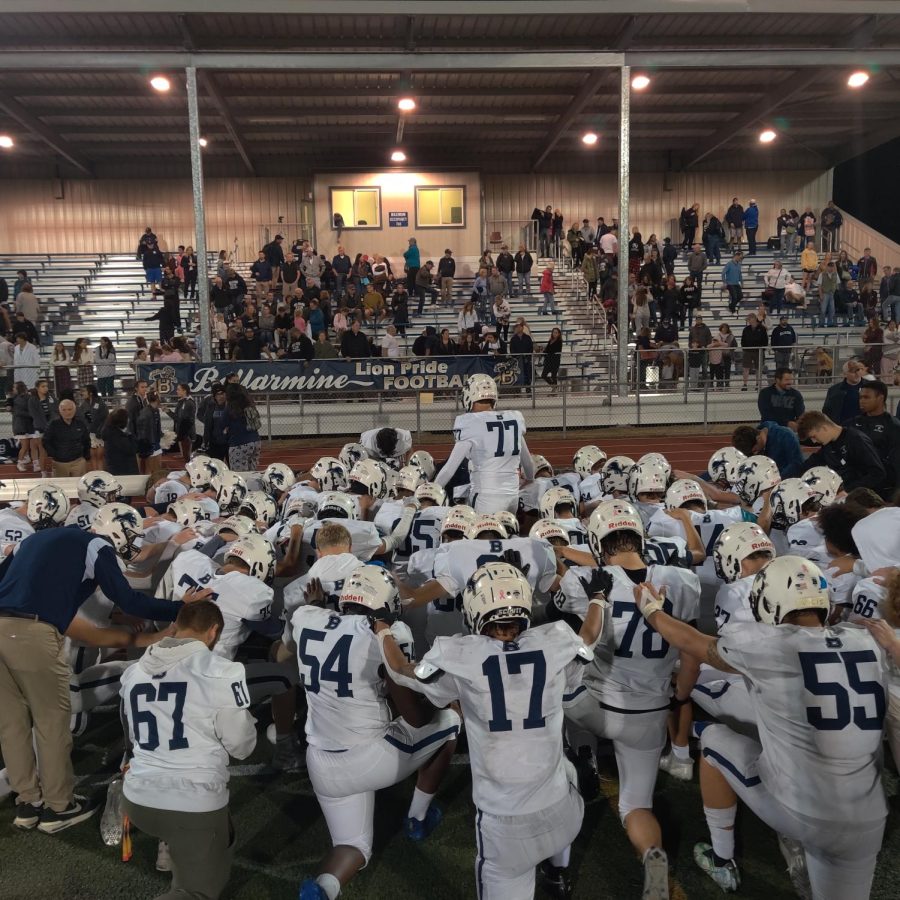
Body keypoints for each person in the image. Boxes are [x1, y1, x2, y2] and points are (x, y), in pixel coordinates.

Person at [635, 556, 888, 900]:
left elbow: (692, 642)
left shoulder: (767, 645)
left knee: (712, 739)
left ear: (767, 603)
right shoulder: (870, 642)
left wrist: (652, 610)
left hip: (801, 811)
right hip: (870, 815)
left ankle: (722, 859)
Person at [377, 562, 599, 900]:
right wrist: (599, 599)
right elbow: (589, 638)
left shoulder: (460, 654)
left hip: (506, 823)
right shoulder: (555, 639)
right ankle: (556, 872)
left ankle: (553, 870)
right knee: (566, 769)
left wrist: (381, 629)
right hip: (563, 811)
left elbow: (399, 670)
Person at [0, 508, 206, 834]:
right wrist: (183, 607)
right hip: (32, 632)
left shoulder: (35, 539)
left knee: (11, 725)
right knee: (51, 723)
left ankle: (28, 802)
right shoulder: (96, 546)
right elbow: (131, 600)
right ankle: (59, 808)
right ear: (119, 531)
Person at [556, 501, 701, 898]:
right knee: (637, 806)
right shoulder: (682, 580)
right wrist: (680, 697)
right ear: (641, 537)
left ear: (597, 541)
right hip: (650, 713)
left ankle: (581, 758)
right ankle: (652, 852)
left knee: (559, 673)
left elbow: (574, 620)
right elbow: (688, 647)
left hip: (593, 705)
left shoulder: (584, 578)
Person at [292, 567, 459, 900]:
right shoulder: (389, 633)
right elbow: (414, 716)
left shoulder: (305, 617)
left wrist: (319, 605)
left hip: (320, 761)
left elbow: (335, 628)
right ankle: (418, 818)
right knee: (450, 720)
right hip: (369, 757)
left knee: (353, 847)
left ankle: (322, 889)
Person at [121, 600, 256, 900]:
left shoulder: (134, 672)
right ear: (214, 631)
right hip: (191, 802)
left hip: (138, 798)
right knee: (196, 894)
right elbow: (243, 746)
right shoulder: (223, 670)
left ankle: (172, 847)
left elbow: (131, 737)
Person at [435, 373, 536, 514]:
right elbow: (528, 464)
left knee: (483, 535)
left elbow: (449, 469)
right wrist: (530, 479)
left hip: (486, 497)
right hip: (512, 496)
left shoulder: (469, 422)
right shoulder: (513, 418)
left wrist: (431, 492)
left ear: (469, 395)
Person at [797, 410, 887, 494]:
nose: (814, 441)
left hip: (863, 497)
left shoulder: (856, 440)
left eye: (814, 436)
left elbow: (878, 473)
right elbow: (809, 464)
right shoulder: (828, 445)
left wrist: (848, 491)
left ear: (824, 428)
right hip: (842, 495)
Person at [847, 379, 900, 497]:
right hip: (854, 486)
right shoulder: (852, 423)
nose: (861, 401)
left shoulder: (893, 427)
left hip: (882, 490)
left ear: (880, 398)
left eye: (866, 397)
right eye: (860, 397)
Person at [731, 422, 805, 478]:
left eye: (755, 450)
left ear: (758, 438)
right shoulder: (751, 443)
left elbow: (797, 464)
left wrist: (775, 479)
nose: (755, 454)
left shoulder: (785, 435)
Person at [41, 398, 89, 478]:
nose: (67, 412)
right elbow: (46, 441)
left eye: (70, 409)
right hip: (60, 463)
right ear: (60, 411)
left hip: (78, 461)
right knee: (62, 487)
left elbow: (86, 440)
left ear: (74, 410)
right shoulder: (53, 424)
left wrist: (85, 455)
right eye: (64, 410)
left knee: (79, 486)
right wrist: (54, 454)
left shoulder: (80, 423)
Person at [224, 385, 261, 472]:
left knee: (240, 475)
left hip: (239, 443)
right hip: (256, 441)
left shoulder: (231, 407)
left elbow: (222, 424)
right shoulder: (250, 405)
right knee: (253, 472)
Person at [822, 359, 864, 423]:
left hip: (864, 427)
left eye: (858, 370)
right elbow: (827, 410)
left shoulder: (871, 387)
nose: (857, 373)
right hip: (842, 427)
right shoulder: (834, 390)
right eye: (852, 371)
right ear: (845, 374)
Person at [78, 384, 109, 471]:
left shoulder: (101, 403)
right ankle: (95, 475)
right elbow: (82, 418)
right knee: (92, 457)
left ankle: (101, 475)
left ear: (90, 393)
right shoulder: (84, 404)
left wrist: (100, 432)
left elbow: (105, 419)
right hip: (90, 434)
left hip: (99, 434)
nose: (82, 393)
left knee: (100, 457)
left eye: (84, 391)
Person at [101, 407, 139, 476]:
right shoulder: (118, 437)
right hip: (124, 472)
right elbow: (132, 449)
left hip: (114, 470)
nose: (129, 420)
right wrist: (130, 436)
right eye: (127, 418)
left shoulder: (109, 432)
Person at [136, 391, 163, 476]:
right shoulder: (145, 412)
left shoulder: (155, 410)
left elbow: (156, 428)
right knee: (149, 470)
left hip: (155, 443)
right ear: (157, 399)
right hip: (149, 445)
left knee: (157, 469)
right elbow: (142, 431)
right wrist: (148, 446)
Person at [739, 313, 767, 391]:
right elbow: (743, 340)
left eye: (749, 319)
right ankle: (745, 384)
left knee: (758, 368)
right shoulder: (746, 329)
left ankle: (758, 384)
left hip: (759, 351)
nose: (748, 321)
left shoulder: (762, 328)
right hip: (748, 351)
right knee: (745, 368)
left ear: (754, 319)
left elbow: (765, 340)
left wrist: (762, 349)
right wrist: (745, 348)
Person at [172, 382, 196, 463]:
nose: (177, 391)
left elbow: (189, 420)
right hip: (183, 432)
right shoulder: (182, 401)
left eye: (178, 389)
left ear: (184, 391)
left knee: (187, 458)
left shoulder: (189, 402)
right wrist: (168, 411)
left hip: (186, 433)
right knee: (186, 456)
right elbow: (177, 418)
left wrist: (184, 434)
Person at [509, 321, 534, 388]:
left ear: (522, 328)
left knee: (527, 374)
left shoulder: (527, 338)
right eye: (516, 327)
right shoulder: (513, 339)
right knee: (517, 375)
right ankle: (517, 390)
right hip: (517, 360)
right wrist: (515, 357)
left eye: (519, 327)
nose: (518, 328)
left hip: (526, 359)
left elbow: (530, 348)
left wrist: (528, 357)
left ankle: (528, 389)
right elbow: (512, 349)